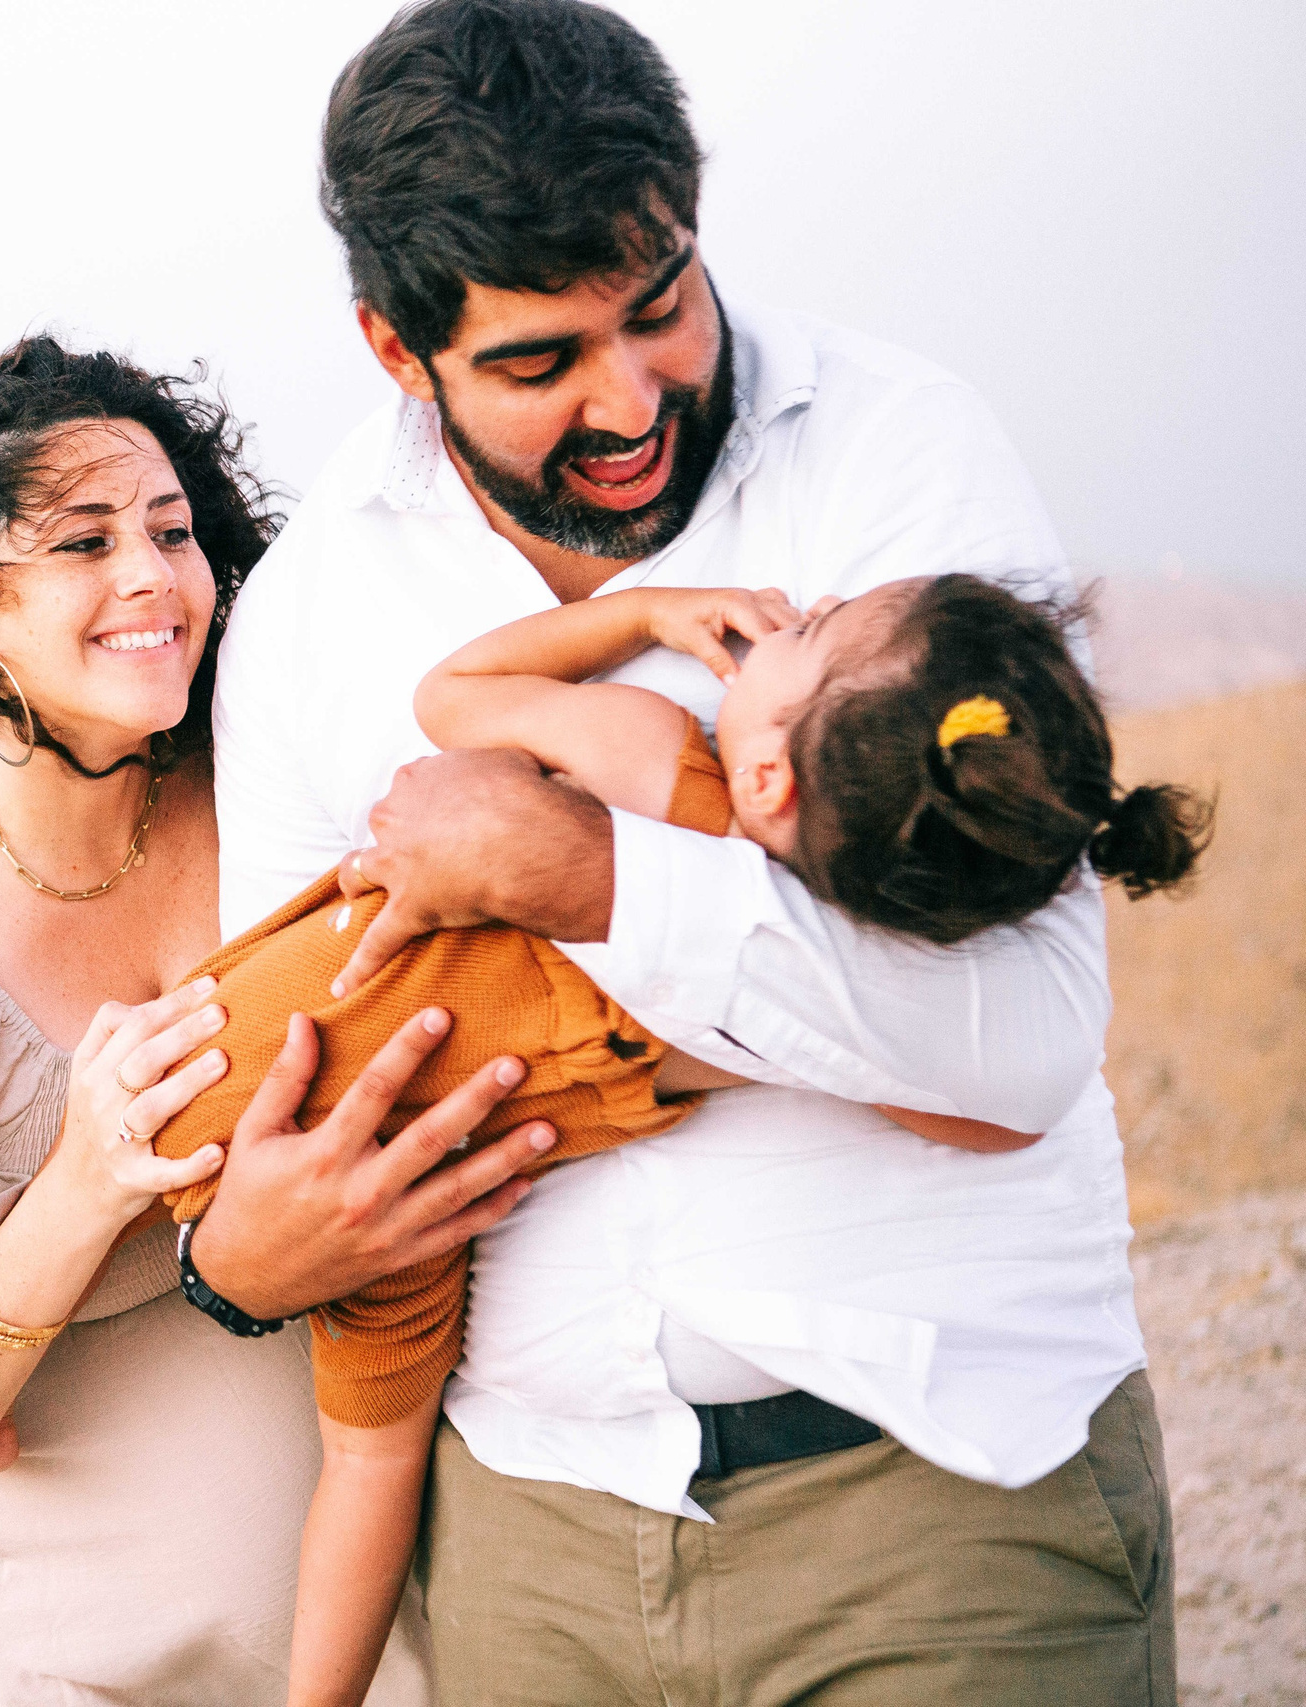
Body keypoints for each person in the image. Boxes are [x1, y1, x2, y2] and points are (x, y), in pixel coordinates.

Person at [162, 3, 1183, 1700]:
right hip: (526, 1542)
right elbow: (307, 1034)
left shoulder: (893, 461)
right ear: (398, 350)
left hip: (939, 1506)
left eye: (661, 309)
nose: (631, 401)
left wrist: (585, 875)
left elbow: (1016, 1055)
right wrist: (235, 1265)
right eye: (540, 363)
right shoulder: (316, 604)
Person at [150, 573, 1206, 1705]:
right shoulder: (809, 994)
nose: (800, 609)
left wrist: (645, 614)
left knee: (364, 1454)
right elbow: (984, 1118)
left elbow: (453, 694)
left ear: (768, 777)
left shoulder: (660, 760)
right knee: (370, 1463)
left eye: (810, 631)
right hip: (394, 1184)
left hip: (236, 1068)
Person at [0, 336, 549, 1705]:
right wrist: (83, 1185)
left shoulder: (270, 786)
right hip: (74, 1658)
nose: (149, 574)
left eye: (172, 531)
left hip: (378, 1622)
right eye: (84, 541)